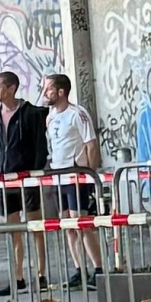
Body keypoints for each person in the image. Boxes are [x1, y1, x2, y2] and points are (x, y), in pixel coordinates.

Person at [0, 72, 48, 296]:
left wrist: (36, 172)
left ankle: (41, 274)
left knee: (35, 225)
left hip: (27, 176)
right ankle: (18, 276)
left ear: (11, 88)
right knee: (13, 229)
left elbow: (40, 145)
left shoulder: (30, 113)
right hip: (3, 179)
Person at [43, 73, 103, 288]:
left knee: (81, 223)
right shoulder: (50, 117)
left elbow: (91, 144)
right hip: (58, 177)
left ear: (61, 92)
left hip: (76, 176)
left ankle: (98, 268)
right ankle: (79, 269)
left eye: (49, 89)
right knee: (67, 224)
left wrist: (90, 174)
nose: (45, 93)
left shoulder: (77, 114)